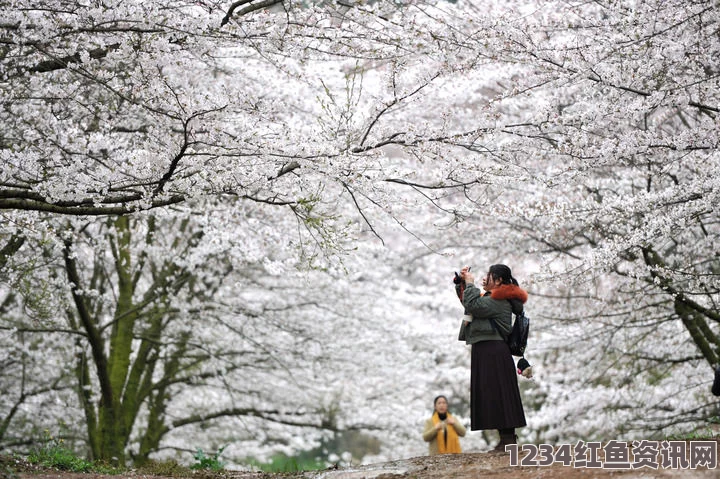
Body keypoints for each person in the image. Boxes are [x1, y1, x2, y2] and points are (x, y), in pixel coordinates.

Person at [459, 264, 528, 452]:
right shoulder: (491, 298)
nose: (485, 278)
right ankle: (506, 439)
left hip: (493, 350)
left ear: (498, 280)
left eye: (489, 275)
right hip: (488, 349)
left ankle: (508, 439)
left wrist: (471, 285)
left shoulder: (499, 299)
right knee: (494, 393)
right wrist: (462, 284)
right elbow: (470, 304)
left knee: (500, 393)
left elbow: (473, 305)